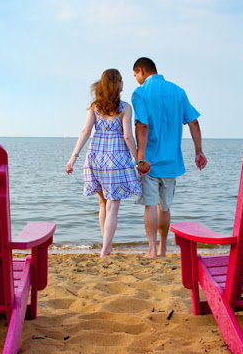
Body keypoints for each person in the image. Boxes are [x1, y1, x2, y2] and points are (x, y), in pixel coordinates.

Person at [131, 57, 207, 259]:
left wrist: (140, 159)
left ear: (141, 71)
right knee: (164, 207)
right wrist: (198, 151)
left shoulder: (140, 92)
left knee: (150, 205)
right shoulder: (178, 91)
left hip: (149, 162)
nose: (136, 79)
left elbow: (143, 126)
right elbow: (193, 123)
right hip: (172, 161)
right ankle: (163, 249)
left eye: (135, 75)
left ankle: (151, 250)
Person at [66, 69, 142, 257]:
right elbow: (127, 136)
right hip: (116, 160)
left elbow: (85, 132)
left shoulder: (95, 107)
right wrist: (138, 160)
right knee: (113, 207)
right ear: (118, 85)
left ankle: (106, 245)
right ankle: (105, 248)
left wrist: (73, 157)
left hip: (95, 159)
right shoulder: (125, 108)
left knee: (102, 203)